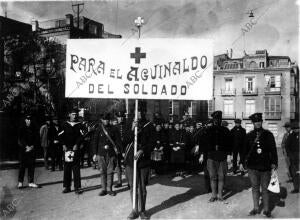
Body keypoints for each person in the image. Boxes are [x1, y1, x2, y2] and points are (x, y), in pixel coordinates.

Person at [240, 113, 278, 218]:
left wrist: (274, 162)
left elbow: (273, 150)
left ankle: (266, 210)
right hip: (252, 167)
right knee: (255, 188)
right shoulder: (249, 136)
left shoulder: (268, 135)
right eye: (255, 122)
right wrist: (242, 163)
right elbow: (244, 151)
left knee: (265, 189)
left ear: (262, 122)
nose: (257, 123)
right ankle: (256, 208)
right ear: (253, 123)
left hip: (265, 167)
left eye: (259, 121)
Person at [124, 111, 154, 220]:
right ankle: (134, 210)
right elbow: (125, 141)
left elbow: (152, 142)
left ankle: (142, 211)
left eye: (140, 112)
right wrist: (132, 129)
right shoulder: (129, 124)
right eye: (136, 112)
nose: (138, 114)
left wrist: (142, 150)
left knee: (142, 187)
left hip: (143, 161)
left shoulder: (149, 125)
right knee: (133, 187)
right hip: (131, 161)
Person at [203, 111, 232, 202]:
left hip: (222, 157)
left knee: (222, 177)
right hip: (211, 157)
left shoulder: (225, 130)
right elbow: (203, 143)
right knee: (212, 177)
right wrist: (203, 155)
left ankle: (220, 196)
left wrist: (229, 155)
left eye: (218, 119)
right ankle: (213, 195)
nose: (217, 121)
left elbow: (229, 144)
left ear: (220, 120)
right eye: (215, 119)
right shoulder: (208, 130)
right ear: (213, 120)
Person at [91, 113, 122, 196]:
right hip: (101, 154)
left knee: (110, 172)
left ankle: (109, 189)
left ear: (110, 120)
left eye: (108, 119)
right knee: (102, 172)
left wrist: (117, 150)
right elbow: (95, 142)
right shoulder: (99, 129)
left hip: (111, 154)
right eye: (104, 119)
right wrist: (94, 153)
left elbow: (118, 141)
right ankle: (103, 189)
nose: (106, 121)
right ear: (102, 120)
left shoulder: (114, 129)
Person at [60, 108, 84, 194]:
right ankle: (67, 186)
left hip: (75, 149)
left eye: (75, 114)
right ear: (69, 115)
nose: (75, 116)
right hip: (67, 149)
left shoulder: (79, 125)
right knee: (67, 168)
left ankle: (77, 187)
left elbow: (81, 136)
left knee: (76, 168)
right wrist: (63, 144)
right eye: (73, 114)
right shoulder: (64, 124)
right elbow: (60, 135)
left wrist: (77, 144)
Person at [17, 114, 39, 188]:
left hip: (32, 150)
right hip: (23, 150)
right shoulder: (21, 128)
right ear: (25, 120)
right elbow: (20, 139)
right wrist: (26, 147)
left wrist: (32, 147)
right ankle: (20, 182)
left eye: (30, 119)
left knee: (31, 166)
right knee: (22, 166)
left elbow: (36, 139)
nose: (29, 121)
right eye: (27, 119)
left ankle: (31, 182)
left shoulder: (34, 128)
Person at [114, 111, 128, 188]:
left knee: (127, 165)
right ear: (117, 118)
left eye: (122, 117)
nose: (121, 118)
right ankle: (119, 182)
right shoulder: (115, 127)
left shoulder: (127, 126)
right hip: (118, 149)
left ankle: (129, 181)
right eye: (119, 117)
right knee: (118, 165)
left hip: (126, 148)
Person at [285, 121, 299, 193]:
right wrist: (290, 155)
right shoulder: (290, 136)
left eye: (298, 128)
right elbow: (287, 146)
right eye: (295, 128)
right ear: (293, 129)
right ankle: (296, 188)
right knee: (295, 173)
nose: (296, 129)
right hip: (293, 157)